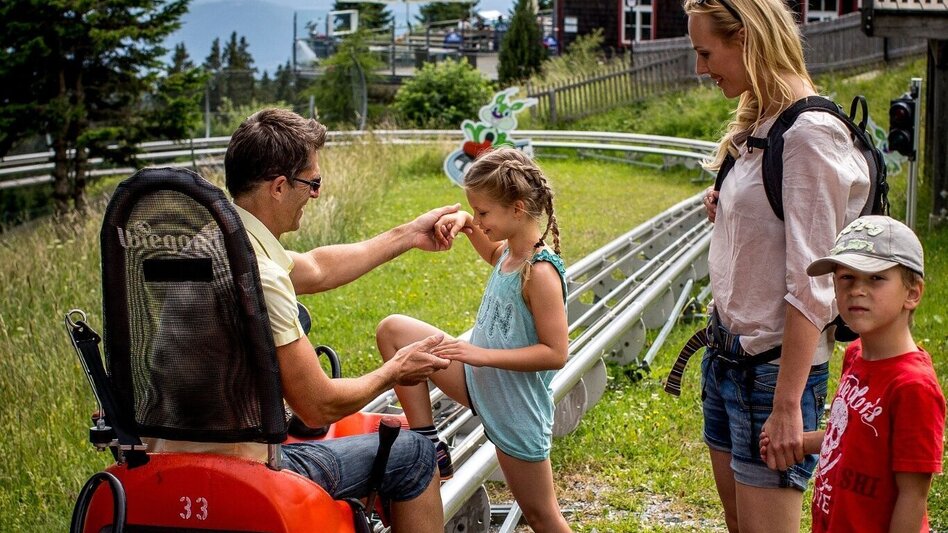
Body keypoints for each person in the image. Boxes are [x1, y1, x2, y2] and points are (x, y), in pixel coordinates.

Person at [151, 108, 461, 533]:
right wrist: (395, 370)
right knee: (414, 455)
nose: (315, 194)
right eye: (312, 183)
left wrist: (408, 234)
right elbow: (318, 406)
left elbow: (316, 267)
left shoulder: (208, 245)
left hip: (167, 458)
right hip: (246, 468)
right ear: (279, 186)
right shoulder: (261, 276)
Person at [682, 0, 872, 531]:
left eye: (705, 52)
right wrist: (729, 202)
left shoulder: (809, 134)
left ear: (745, 37)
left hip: (772, 373)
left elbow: (814, 283)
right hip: (727, 358)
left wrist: (788, 405)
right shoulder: (764, 121)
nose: (701, 69)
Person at [375, 148, 572, 533]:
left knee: (541, 516)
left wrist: (480, 354)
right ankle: (427, 443)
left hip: (515, 411)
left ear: (517, 210)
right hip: (478, 383)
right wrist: (466, 222)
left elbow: (556, 353)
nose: (479, 220)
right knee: (393, 331)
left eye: (483, 213)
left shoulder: (541, 272)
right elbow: (488, 248)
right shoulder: (508, 253)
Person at [761, 216, 945, 532]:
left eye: (875, 278)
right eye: (846, 277)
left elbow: (913, 497)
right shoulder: (856, 355)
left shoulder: (913, 387)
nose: (857, 289)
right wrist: (804, 443)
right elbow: (850, 435)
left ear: (912, 293)